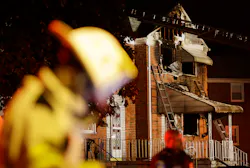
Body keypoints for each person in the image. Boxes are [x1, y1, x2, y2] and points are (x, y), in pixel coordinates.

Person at [0, 20, 138, 168]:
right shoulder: (43, 111)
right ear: (84, 80)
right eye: (95, 93)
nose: (94, 101)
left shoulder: (47, 102)